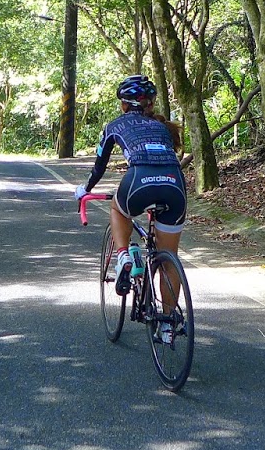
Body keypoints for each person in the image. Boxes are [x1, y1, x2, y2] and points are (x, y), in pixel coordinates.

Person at [75, 74, 187, 339]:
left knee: (118, 208)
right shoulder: (162, 126)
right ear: (151, 103)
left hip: (138, 181)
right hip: (175, 185)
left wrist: (85, 189)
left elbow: (99, 167)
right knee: (169, 258)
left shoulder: (114, 125)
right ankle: (167, 325)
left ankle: (124, 255)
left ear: (124, 104)